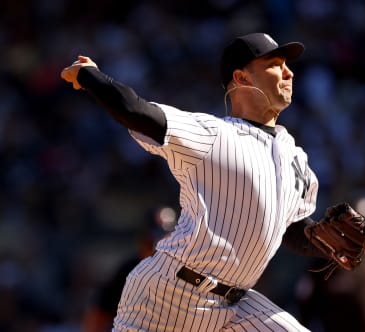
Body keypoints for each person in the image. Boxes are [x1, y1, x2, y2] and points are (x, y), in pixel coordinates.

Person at [61, 32, 335, 331]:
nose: (288, 71)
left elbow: (293, 230)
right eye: (274, 64)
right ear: (242, 78)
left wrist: (327, 240)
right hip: (167, 297)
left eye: (287, 64)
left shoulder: (296, 158)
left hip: (235, 305)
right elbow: (136, 111)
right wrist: (89, 75)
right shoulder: (213, 135)